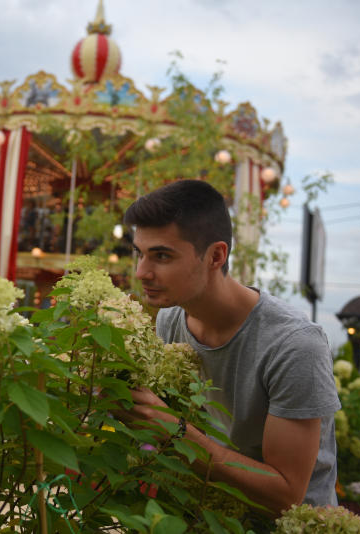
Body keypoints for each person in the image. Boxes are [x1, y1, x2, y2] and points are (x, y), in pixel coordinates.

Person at [114, 179, 340, 515]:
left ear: (216, 255)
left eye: (161, 255)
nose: (142, 272)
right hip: (211, 515)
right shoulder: (170, 320)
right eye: (140, 254)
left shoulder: (294, 345)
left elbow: (286, 494)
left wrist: (173, 431)